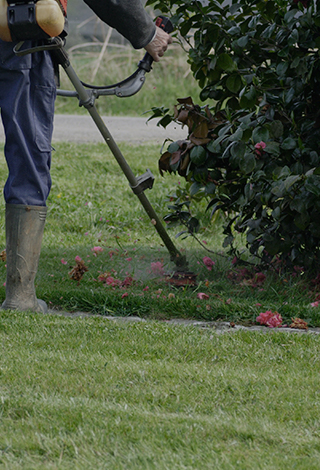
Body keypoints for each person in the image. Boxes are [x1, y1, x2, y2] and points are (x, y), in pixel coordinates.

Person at [0, 0, 172, 312]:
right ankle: (20, 295)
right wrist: (147, 32)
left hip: (19, 28)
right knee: (28, 155)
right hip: (21, 32)